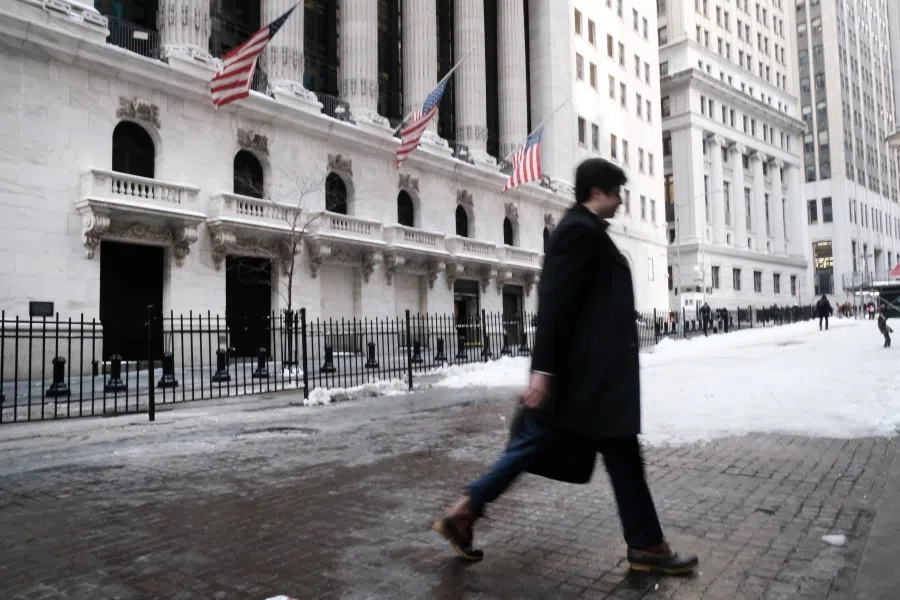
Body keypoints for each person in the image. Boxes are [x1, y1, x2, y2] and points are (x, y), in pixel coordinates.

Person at [431, 158, 699, 575]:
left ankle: (467, 509)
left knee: (588, 454)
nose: (621, 200)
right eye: (616, 192)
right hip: (587, 382)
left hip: (592, 381)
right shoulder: (578, 232)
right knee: (584, 453)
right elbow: (554, 301)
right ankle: (647, 546)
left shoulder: (585, 232)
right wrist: (543, 370)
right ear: (597, 192)